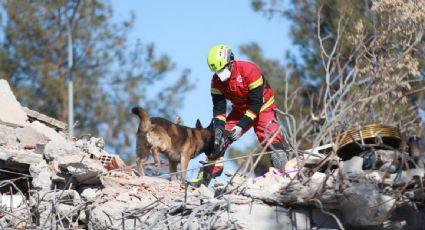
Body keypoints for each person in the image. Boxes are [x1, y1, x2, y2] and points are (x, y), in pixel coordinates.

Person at [189, 44, 288, 187]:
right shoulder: (216, 81)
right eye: (217, 71)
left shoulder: (249, 70)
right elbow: (219, 108)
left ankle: (284, 174)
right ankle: (203, 177)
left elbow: (256, 103)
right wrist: (218, 130)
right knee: (217, 141)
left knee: (272, 140)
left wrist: (240, 126)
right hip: (240, 110)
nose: (220, 74)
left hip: (263, 108)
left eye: (222, 69)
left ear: (230, 62)